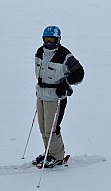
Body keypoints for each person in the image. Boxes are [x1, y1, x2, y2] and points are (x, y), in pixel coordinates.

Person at [33, 25, 84, 168]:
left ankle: (58, 157)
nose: (49, 43)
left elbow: (80, 73)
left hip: (56, 98)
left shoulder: (64, 55)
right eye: (46, 39)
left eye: (52, 40)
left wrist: (66, 83)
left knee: (52, 129)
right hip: (42, 95)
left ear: (58, 39)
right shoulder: (39, 52)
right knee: (43, 128)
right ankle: (50, 152)